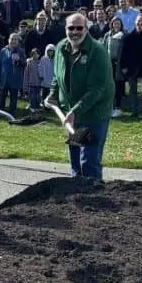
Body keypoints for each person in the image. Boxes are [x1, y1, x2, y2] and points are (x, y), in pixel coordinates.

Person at [46, 12, 114, 180]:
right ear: (65, 29)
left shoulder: (98, 52)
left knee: (89, 162)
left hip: (94, 115)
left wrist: (75, 111)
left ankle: (94, 193)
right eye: (71, 28)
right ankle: (78, 193)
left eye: (79, 28)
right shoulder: (61, 48)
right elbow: (57, 76)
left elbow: (96, 90)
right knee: (75, 161)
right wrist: (53, 94)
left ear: (86, 29)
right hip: (72, 115)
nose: (75, 32)